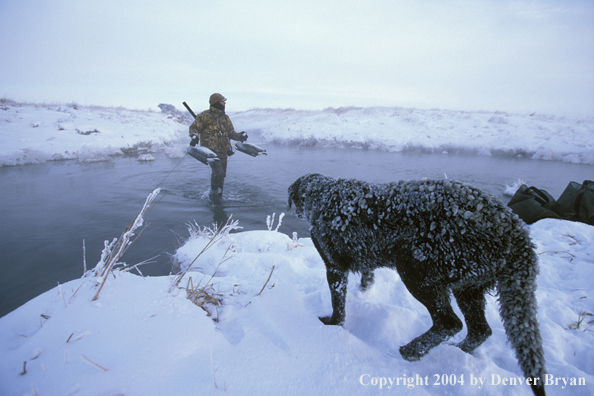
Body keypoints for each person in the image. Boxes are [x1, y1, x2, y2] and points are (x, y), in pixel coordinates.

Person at [188, 93, 248, 202]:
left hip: (223, 150)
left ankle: (219, 195)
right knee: (218, 173)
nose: (225, 103)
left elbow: (231, 133)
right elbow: (194, 127)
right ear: (216, 102)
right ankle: (213, 195)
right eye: (223, 101)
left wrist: (240, 136)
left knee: (222, 175)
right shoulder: (204, 115)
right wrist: (194, 136)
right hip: (210, 151)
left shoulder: (225, 118)